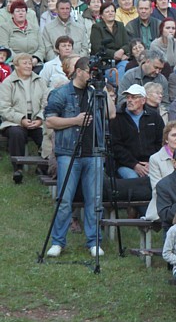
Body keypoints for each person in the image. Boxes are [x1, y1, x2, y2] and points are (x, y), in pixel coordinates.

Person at [45, 57, 115, 258]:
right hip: (69, 153)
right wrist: (74, 120)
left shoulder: (96, 93)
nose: (92, 75)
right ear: (78, 71)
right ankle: (58, 242)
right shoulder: (61, 93)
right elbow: (50, 121)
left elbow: (111, 114)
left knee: (94, 199)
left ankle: (94, 241)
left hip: (93, 152)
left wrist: (103, 88)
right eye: (89, 72)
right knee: (65, 199)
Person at [0, 53, 46, 183]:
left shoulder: (40, 81)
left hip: (37, 120)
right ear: (16, 66)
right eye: (25, 63)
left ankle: (43, 167)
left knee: (46, 134)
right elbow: (4, 108)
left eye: (30, 63)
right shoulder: (8, 83)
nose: (28, 66)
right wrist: (21, 119)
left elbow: (47, 103)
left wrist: (40, 119)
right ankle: (17, 169)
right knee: (17, 133)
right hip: (14, 121)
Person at [110, 84, 165, 180]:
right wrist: (134, 164)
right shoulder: (117, 117)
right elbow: (116, 146)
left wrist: (152, 162)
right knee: (133, 179)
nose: (129, 100)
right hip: (126, 164)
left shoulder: (155, 117)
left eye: (134, 97)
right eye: (128, 97)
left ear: (143, 100)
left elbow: (161, 142)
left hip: (151, 162)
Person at [145, 120, 176, 221]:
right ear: (166, 139)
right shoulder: (155, 159)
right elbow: (157, 187)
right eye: (174, 135)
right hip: (163, 204)